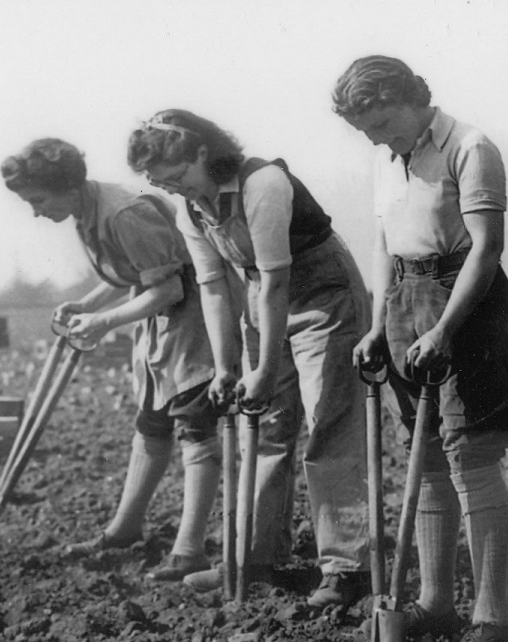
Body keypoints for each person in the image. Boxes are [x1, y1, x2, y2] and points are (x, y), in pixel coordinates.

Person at [127, 110, 372, 609]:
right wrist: (227, 367)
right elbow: (216, 288)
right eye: (165, 184)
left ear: (202, 154)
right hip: (263, 300)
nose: (178, 190)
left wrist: (263, 368)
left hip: (323, 295)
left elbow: (278, 278)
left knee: (329, 424)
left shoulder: (263, 184)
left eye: (178, 177)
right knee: (265, 425)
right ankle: (255, 562)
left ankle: (347, 569)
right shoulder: (191, 210)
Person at [333, 56, 508, 642]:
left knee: (471, 455)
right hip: (403, 303)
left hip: (464, 301)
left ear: (414, 98)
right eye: (367, 131)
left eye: (385, 122)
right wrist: (375, 321)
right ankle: (434, 603)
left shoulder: (471, 145)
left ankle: (493, 617)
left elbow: (486, 248)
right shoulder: (385, 158)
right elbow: (383, 243)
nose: (380, 138)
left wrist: (443, 329)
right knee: (428, 454)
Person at [1, 138, 233, 581]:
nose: (35, 211)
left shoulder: (125, 213)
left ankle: (189, 550)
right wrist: (87, 305)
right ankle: (125, 529)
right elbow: (132, 273)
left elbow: (169, 287)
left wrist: (104, 322)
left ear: (66, 187)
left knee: (194, 424)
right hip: (161, 319)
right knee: (152, 423)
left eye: (37, 200)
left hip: (196, 315)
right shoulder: (87, 211)